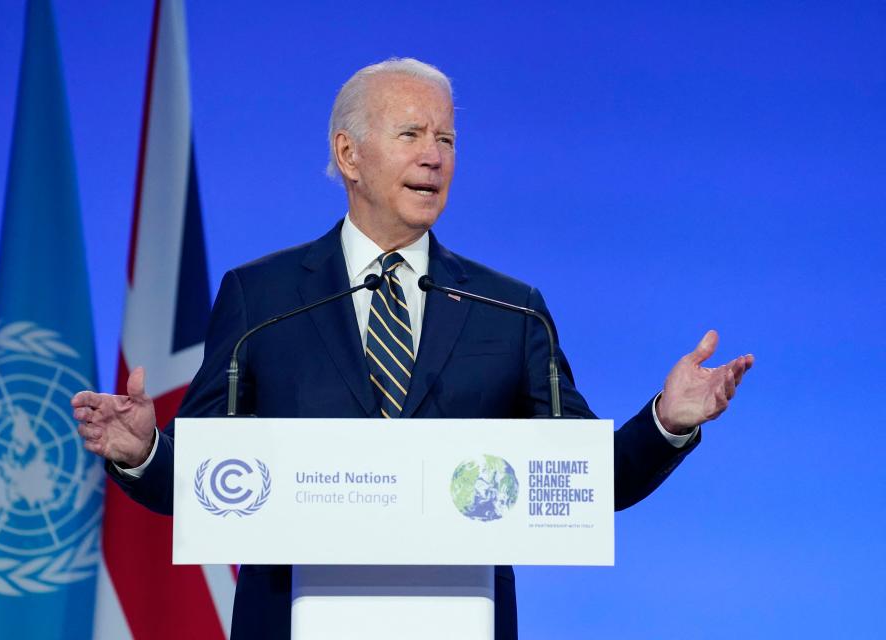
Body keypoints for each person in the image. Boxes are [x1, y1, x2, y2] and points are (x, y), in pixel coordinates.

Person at [72, 58, 753, 640]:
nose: (435, 155)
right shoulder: (263, 300)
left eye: (447, 137)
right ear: (348, 155)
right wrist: (146, 452)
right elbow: (209, 483)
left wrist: (666, 420)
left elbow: (577, 482)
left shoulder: (511, 311)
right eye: (411, 134)